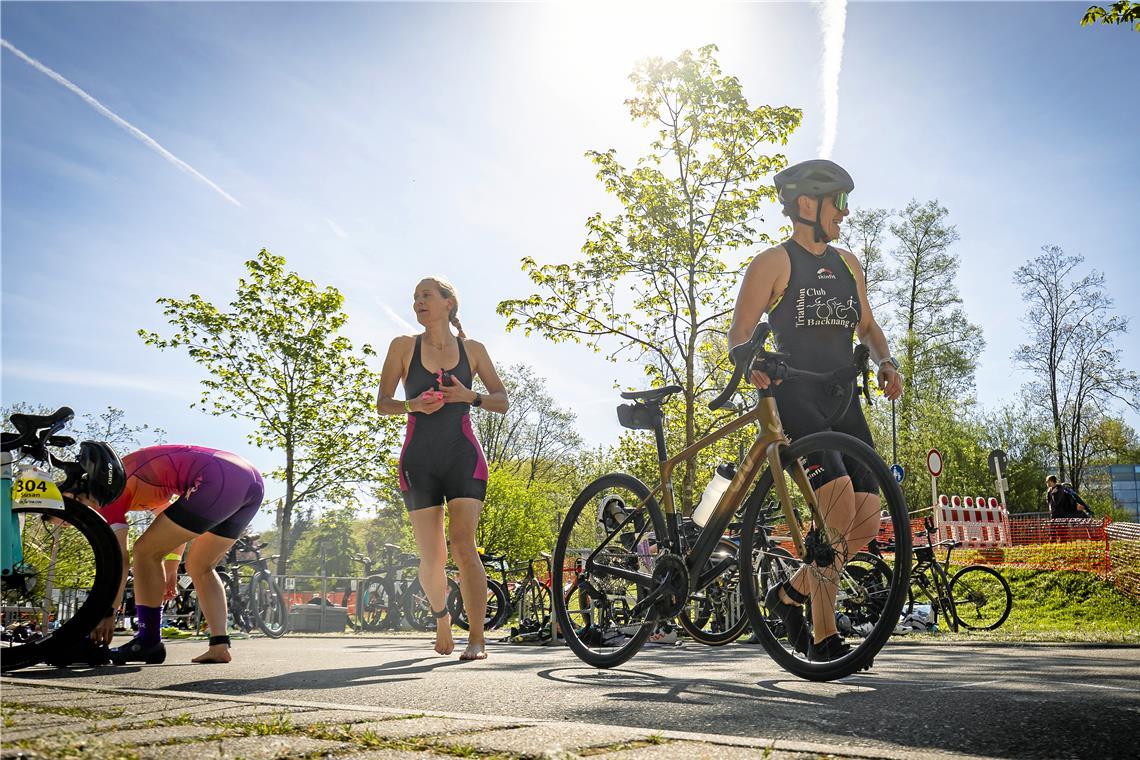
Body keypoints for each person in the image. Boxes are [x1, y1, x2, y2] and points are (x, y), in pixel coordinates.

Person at [727, 159, 904, 661]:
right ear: (807, 205)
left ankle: (788, 596)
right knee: (835, 514)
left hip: (844, 399)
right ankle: (825, 637)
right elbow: (739, 333)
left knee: (866, 524)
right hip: (796, 400)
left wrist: (886, 360)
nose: (846, 214)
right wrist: (750, 360)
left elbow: (867, 328)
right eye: (839, 203)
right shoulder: (773, 262)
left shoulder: (849, 263)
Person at [376, 277, 509, 661]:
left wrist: (472, 397)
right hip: (419, 460)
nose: (417, 302)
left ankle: (478, 639)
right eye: (415, 296)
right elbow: (383, 402)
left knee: (463, 545)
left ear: (449, 303)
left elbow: (502, 400)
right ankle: (442, 618)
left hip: (463, 456)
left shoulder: (474, 350)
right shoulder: (402, 347)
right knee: (432, 556)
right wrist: (412, 405)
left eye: (426, 295)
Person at [76, 445, 265, 665]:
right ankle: (220, 645)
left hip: (220, 476)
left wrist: (107, 612)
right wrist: (172, 568)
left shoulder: (106, 493)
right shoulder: (140, 487)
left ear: (81, 495)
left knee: (144, 551)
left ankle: (148, 641)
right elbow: (169, 523)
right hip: (249, 479)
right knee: (200, 565)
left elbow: (119, 559)